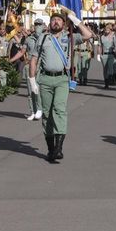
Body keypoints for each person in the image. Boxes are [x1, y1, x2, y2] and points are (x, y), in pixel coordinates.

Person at [34, 9, 94, 163]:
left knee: (59, 110)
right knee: (47, 114)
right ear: (49, 23)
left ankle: (59, 148)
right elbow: (34, 58)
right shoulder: (42, 38)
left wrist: (75, 20)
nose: (56, 22)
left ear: (64, 24)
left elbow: (88, 35)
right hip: (45, 79)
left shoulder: (69, 37)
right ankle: (51, 148)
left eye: (59, 20)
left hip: (61, 79)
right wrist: (31, 79)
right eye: (54, 20)